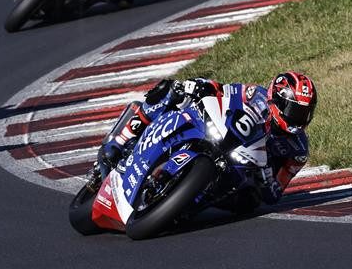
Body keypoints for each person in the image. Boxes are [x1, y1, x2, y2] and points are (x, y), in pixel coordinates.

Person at [91, 72, 315, 212]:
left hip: (242, 177)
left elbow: (275, 194)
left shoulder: (298, 150)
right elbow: (223, 90)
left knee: (249, 203)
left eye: (304, 113)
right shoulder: (254, 95)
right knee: (171, 91)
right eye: (294, 110)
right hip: (222, 140)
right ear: (276, 99)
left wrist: (265, 177)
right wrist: (198, 85)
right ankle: (120, 141)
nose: (298, 119)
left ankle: (182, 205)